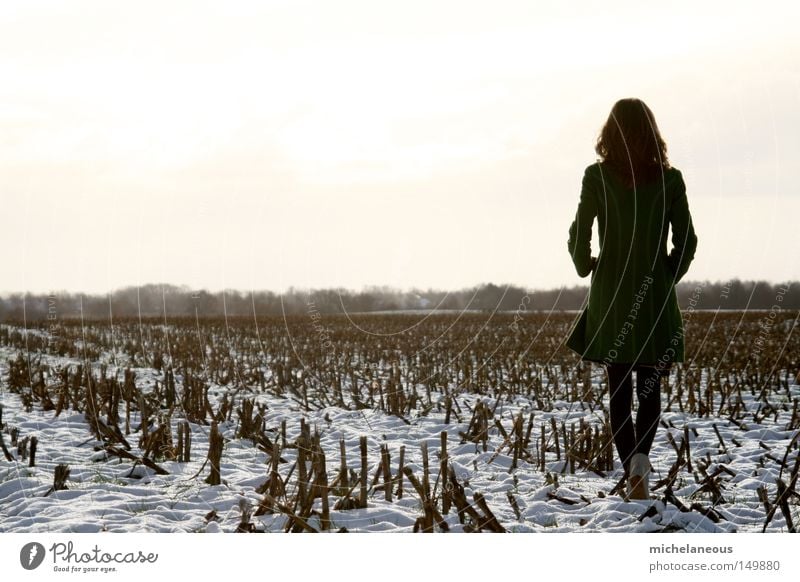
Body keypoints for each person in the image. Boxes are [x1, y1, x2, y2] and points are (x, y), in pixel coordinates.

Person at [565, 98, 698, 501]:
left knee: (619, 393)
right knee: (650, 393)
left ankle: (632, 472)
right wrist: (665, 275)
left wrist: (584, 264)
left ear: (610, 133)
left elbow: (580, 230)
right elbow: (687, 240)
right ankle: (641, 462)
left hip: (611, 298)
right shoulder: (671, 181)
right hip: (654, 299)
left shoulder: (596, 177)